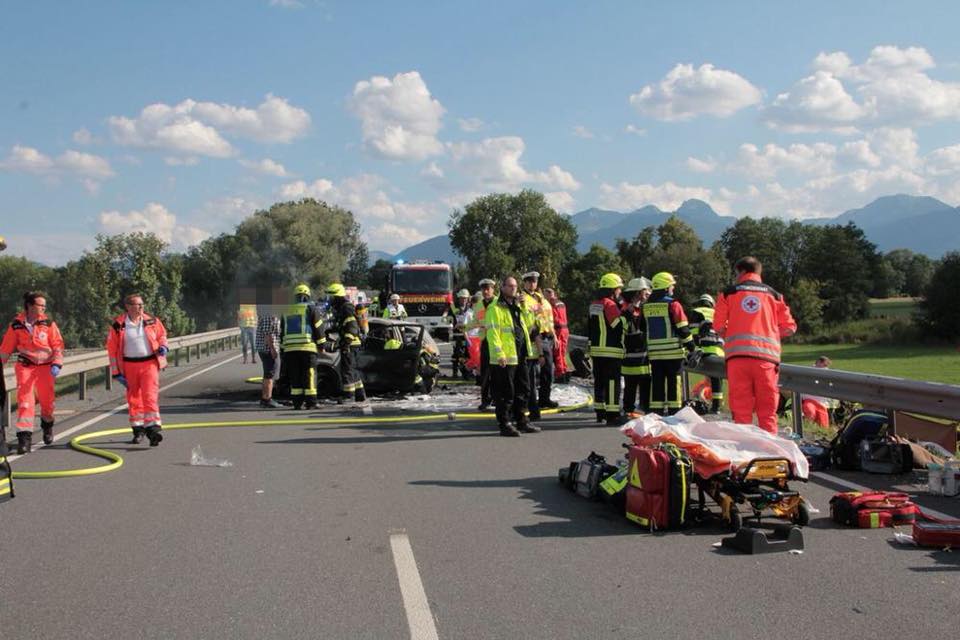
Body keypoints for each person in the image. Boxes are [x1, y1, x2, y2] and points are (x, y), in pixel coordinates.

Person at [714, 256, 797, 434]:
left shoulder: (728, 293)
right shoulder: (774, 295)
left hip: (737, 359)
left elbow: (718, 327)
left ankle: (745, 447)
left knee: (741, 410)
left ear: (742, 271)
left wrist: (732, 335)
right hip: (766, 360)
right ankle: (769, 447)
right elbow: (790, 328)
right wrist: (771, 334)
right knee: (768, 411)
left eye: (737, 273)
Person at [0, 292, 65, 454]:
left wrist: (57, 363)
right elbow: (5, 349)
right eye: (40, 305)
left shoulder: (48, 323)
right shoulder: (16, 325)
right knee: (25, 401)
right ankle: (24, 439)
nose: (43, 308)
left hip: (46, 367)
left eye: (44, 305)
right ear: (30, 306)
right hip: (26, 367)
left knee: (47, 402)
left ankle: (47, 426)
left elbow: (58, 345)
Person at [106, 293, 168, 446]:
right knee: (134, 399)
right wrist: (116, 373)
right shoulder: (118, 325)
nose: (141, 307)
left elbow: (162, 335)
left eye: (142, 304)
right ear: (128, 307)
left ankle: (153, 430)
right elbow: (112, 350)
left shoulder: (151, 321)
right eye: (137, 304)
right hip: (129, 365)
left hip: (149, 364)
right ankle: (138, 430)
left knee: (150, 396)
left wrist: (163, 346)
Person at [486, 276, 540, 437]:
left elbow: (529, 325)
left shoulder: (517, 306)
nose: (513, 289)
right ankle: (505, 424)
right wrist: (499, 353)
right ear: (502, 288)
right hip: (505, 358)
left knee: (523, 389)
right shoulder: (495, 308)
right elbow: (493, 333)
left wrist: (524, 306)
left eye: (515, 286)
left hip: (520, 354)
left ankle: (522, 420)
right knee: (505, 393)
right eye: (510, 286)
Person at [643, 272, 695, 416]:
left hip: (654, 353)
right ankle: (674, 413)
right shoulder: (673, 304)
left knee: (657, 383)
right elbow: (683, 328)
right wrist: (692, 346)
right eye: (672, 285)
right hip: (673, 352)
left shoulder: (646, 306)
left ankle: (656, 413)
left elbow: (643, 327)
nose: (673, 288)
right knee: (674, 383)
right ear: (666, 287)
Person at [588, 273, 626, 425]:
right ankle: (612, 415)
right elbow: (617, 326)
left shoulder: (594, 304)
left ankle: (600, 412)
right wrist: (626, 315)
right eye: (618, 289)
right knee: (612, 382)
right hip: (611, 350)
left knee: (599, 381)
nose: (620, 292)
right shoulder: (610, 305)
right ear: (612, 289)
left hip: (596, 350)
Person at [280, 283, 325, 410]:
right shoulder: (311, 308)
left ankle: (297, 403)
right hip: (307, 348)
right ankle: (311, 402)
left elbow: (282, 331)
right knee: (309, 374)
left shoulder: (286, 310)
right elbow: (318, 327)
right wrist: (321, 344)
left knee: (295, 376)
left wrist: (282, 349)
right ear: (307, 296)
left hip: (290, 349)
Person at [327, 283, 367, 404]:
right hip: (353, 343)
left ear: (338, 297)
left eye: (332, 297)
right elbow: (343, 325)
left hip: (350, 343)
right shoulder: (344, 308)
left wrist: (346, 343)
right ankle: (360, 394)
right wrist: (330, 330)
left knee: (347, 370)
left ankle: (349, 396)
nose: (330, 299)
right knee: (352, 369)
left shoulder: (346, 308)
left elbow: (352, 326)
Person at [621, 277, 652, 418]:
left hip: (642, 355)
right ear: (638, 292)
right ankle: (629, 409)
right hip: (632, 353)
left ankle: (643, 408)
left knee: (644, 383)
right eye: (645, 291)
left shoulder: (640, 308)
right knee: (631, 384)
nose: (647, 294)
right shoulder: (626, 310)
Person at [688, 293, 725, 413]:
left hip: (703, 351)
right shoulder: (718, 313)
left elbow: (693, 332)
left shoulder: (696, 312)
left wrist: (693, 348)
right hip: (719, 350)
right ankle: (716, 407)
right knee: (717, 379)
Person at [471, 278, 497, 411]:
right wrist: (465, 326)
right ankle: (485, 400)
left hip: (498, 342)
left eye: (488, 289)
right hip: (485, 342)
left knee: (498, 373)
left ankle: (497, 398)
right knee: (485, 373)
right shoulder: (479, 306)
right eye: (483, 289)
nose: (486, 292)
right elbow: (475, 321)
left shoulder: (499, 303)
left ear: (493, 289)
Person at [255, 306, 282, 408]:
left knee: (269, 374)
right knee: (269, 374)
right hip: (267, 349)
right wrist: (273, 349)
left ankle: (266, 398)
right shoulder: (268, 315)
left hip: (267, 348)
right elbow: (268, 335)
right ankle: (267, 399)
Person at [544, 288, 569, 383]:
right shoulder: (561, 303)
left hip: (558, 330)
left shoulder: (551, 304)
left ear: (549, 294)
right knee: (562, 352)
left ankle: (560, 375)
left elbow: (552, 318)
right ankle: (564, 372)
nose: (544, 298)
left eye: (545, 295)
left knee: (557, 352)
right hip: (565, 329)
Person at [801, 356, 832, 427]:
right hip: (809, 400)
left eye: (825, 365)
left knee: (824, 425)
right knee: (810, 412)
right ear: (818, 362)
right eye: (823, 364)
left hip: (821, 403)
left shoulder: (827, 373)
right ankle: (807, 428)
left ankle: (815, 429)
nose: (824, 367)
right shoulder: (809, 371)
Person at [449, 289, 473, 378]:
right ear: (458, 298)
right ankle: (454, 372)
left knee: (467, 354)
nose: (463, 300)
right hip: (457, 335)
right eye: (462, 298)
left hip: (467, 335)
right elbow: (448, 319)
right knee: (456, 353)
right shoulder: (453, 308)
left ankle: (466, 372)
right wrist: (452, 325)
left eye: (465, 298)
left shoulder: (470, 308)